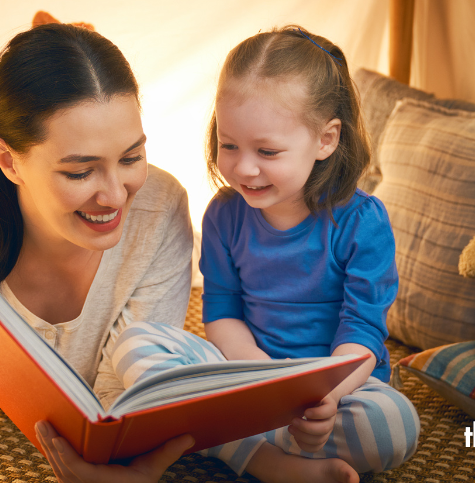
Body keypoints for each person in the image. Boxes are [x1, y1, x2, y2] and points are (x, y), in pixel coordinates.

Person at [0, 23, 196, 482]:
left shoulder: (160, 208)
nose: (115, 195)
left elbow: (122, 404)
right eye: (81, 172)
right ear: (9, 161)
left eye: (130, 159)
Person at [110, 26, 420, 483]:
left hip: (336, 386)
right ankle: (266, 461)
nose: (244, 167)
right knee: (134, 343)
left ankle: (223, 439)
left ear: (326, 140)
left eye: (268, 150)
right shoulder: (223, 215)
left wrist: (324, 397)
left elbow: (363, 333)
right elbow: (221, 313)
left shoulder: (362, 222)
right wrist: (260, 380)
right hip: (244, 373)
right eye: (229, 144)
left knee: (394, 424)